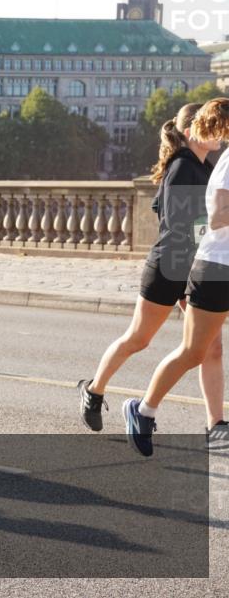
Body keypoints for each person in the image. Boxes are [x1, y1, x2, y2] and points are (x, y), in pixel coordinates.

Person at [80, 103, 224, 435]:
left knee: (211, 348)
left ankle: (216, 423)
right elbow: (178, 225)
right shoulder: (181, 167)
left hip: (196, 270)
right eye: (212, 126)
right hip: (168, 268)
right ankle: (94, 390)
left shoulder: (206, 167)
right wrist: (216, 226)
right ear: (191, 132)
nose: (219, 133)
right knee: (138, 339)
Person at [125, 97, 229, 456]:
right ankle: (143, 409)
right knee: (193, 351)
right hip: (215, 267)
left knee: (211, 349)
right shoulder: (221, 163)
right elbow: (215, 218)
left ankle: (217, 426)